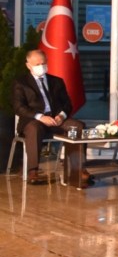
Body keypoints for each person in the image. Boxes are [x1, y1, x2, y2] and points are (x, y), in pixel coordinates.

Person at [13, 49, 86, 185]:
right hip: (34, 120)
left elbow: (67, 104)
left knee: (78, 126)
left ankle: (77, 169)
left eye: (43, 63)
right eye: (37, 64)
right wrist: (40, 117)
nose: (41, 66)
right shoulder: (21, 83)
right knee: (34, 129)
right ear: (28, 65)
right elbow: (19, 107)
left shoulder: (56, 81)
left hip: (56, 120)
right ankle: (33, 171)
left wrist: (62, 116)